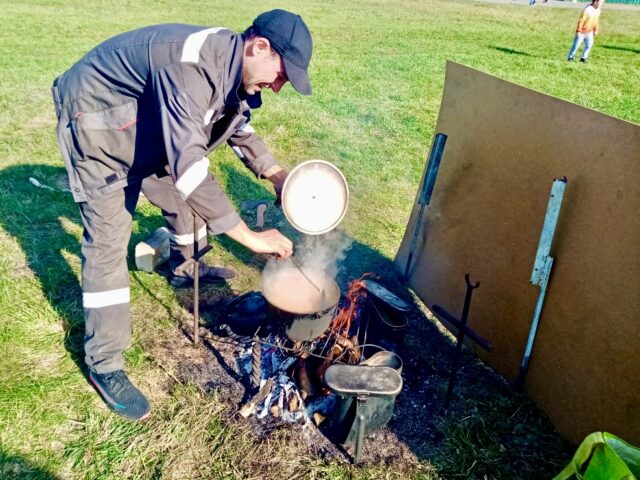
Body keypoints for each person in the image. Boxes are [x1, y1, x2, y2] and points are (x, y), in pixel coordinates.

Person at [51, 9, 312, 420]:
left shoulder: (230, 68)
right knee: (108, 241)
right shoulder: (190, 66)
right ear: (259, 46)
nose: (279, 87)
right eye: (282, 74)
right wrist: (250, 237)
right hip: (98, 123)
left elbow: (236, 127)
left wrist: (277, 175)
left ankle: (184, 268)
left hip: (149, 127)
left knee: (180, 201)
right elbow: (190, 165)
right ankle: (105, 363)